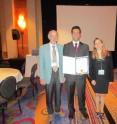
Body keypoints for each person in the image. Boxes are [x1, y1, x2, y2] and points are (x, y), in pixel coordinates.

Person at [63, 26, 89, 120]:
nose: (76, 34)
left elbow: (86, 61)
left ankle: (82, 109)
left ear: (80, 34)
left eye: (78, 32)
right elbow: (64, 61)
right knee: (70, 94)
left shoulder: (85, 46)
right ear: (71, 34)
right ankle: (71, 110)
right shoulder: (66, 46)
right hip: (70, 76)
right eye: (74, 32)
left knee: (81, 94)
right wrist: (64, 74)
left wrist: (85, 72)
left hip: (81, 76)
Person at [39, 30, 64, 122]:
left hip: (58, 73)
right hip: (47, 74)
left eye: (56, 35)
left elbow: (63, 62)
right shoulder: (43, 48)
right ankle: (50, 112)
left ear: (57, 37)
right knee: (49, 95)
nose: (54, 37)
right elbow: (41, 64)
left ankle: (57, 110)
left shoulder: (61, 47)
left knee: (58, 93)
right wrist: (41, 77)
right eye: (52, 36)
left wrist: (63, 75)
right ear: (49, 37)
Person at [89, 37, 113, 119]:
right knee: (97, 94)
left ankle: (101, 111)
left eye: (99, 42)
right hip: (96, 78)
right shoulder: (92, 55)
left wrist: (111, 79)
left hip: (105, 78)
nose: (97, 44)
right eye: (96, 43)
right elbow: (90, 68)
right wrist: (92, 79)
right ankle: (97, 110)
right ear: (94, 46)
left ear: (102, 44)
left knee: (102, 95)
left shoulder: (108, 54)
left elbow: (110, 67)